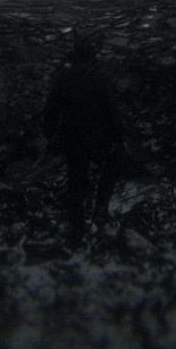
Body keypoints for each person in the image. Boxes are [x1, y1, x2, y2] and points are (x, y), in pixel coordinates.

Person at [40, 35, 127, 245]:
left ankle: (77, 226)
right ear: (92, 57)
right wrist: (119, 136)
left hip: (72, 137)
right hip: (97, 138)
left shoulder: (63, 79)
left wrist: (51, 135)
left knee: (76, 179)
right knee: (112, 166)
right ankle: (100, 208)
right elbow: (112, 111)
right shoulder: (100, 79)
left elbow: (51, 111)